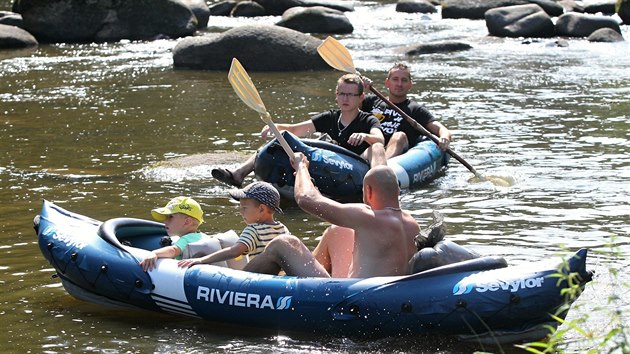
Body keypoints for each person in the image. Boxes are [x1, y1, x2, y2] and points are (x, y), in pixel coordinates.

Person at [243, 143, 420, 278]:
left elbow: (306, 199)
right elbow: (321, 203)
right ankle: (295, 276)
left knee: (283, 243)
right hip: (389, 296)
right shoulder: (412, 223)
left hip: (355, 299)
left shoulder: (367, 217)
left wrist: (301, 167)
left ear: (368, 191)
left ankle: (233, 284)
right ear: (396, 190)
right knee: (339, 230)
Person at [212, 73, 385, 188]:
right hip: (329, 165)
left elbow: (380, 140)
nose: (345, 98)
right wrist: (276, 127)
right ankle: (238, 174)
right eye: (342, 94)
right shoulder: (329, 117)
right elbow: (296, 129)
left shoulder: (367, 119)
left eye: (350, 95)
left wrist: (365, 136)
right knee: (281, 138)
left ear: (361, 98)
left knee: (376, 148)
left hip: (355, 166)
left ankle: (381, 188)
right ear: (336, 95)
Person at [177, 181, 288, 268]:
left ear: (261, 209)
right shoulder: (283, 228)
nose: (240, 212)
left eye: (244, 208)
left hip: (259, 280)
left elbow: (234, 251)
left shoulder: (253, 230)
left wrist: (201, 260)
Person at [362, 62, 452, 159]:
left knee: (399, 136)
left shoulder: (415, 109)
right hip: (370, 148)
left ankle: (382, 166)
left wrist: (444, 137)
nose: (399, 84)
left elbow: (441, 129)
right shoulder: (371, 101)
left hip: (396, 155)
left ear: (410, 85)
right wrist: (360, 85)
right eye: (395, 79)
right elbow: (349, 102)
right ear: (387, 83)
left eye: (404, 80)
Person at [140, 196, 207, 272]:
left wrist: (154, 253)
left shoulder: (186, 239)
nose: (165, 221)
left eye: (170, 217)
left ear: (187, 222)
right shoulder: (202, 236)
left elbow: (174, 250)